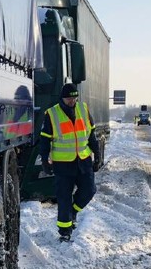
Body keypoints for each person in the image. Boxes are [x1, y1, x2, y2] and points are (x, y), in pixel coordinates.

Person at [38, 83, 103, 241]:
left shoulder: (84, 109)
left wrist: (98, 155)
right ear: (62, 98)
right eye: (69, 98)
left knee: (90, 190)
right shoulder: (52, 114)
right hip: (63, 164)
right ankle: (65, 232)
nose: (72, 101)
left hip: (83, 160)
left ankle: (73, 211)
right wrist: (45, 163)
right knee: (64, 197)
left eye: (74, 98)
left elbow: (92, 136)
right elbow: (44, 141)